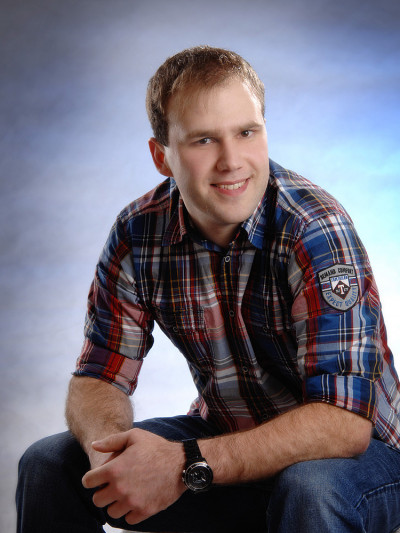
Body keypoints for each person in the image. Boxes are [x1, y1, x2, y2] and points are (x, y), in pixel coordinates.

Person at [16, 46, 400, 533]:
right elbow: (99, 375)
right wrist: (111, 454)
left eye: (247, 132)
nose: (231, 161)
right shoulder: (137, 232)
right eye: (203, 140)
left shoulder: (315, 229)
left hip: (362, 461)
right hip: (227, 442)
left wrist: (184, 463)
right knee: (50, 465)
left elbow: (343, 424)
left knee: (310, 488)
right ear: (162, 157)